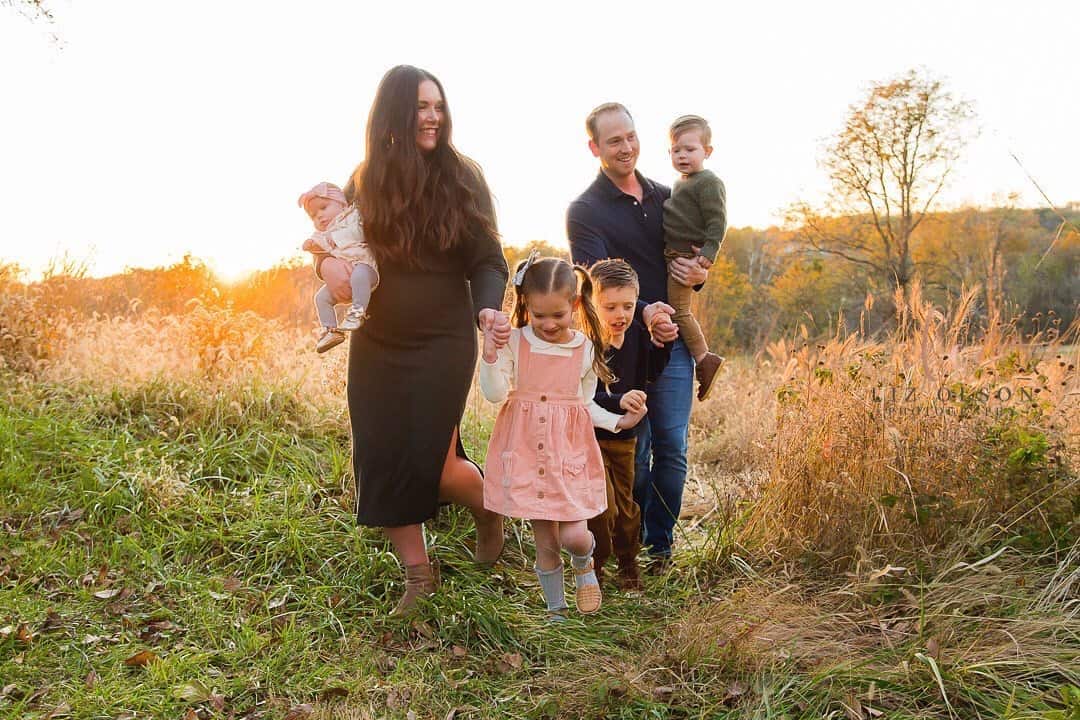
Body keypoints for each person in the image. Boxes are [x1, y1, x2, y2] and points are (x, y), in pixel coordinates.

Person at [327, 65, 510, 616]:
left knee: (437, 463)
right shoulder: (366, 180)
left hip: (443, 339)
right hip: (378, 340)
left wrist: (487, 309)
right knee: (380, 456)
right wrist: (326, 275)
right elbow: (343, 250)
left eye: (438, 106)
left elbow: (487, 258)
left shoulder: (462, 177)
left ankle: (489, 507)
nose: (432, 117)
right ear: (394, 116)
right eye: (421, 107)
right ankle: (419, 575)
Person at [567, 102, 709, 567]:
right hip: (621, 348)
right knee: (635, 448)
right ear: (595, 148)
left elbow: (687, 259)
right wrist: (646, 311)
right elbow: (596, 280)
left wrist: (697, 270)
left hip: (671, 343)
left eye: (630, 136)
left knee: (672, 447)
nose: (626, 147)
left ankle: (660, 548)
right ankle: (628, 547)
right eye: (614, 141)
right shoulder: (584, 211)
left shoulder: (669, 196)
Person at [479, 255, 644, 620]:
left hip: (567, 454)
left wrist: (619, 422)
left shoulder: (583, 347)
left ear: (574, 304)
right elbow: (494, 394)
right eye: (539, 316)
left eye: (558, 315)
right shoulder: (515, 342)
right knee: (546, 543)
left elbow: (584, 405)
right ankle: (557, 610)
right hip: (527, 453)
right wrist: (489, 355)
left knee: (573, 537)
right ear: (525, 306)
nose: (548, 324)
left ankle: (584, 564)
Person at [587, 259, 670, 590]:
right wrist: (617, 400)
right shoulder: (587, 341)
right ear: (592, 304)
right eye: (610, 307)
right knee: (599, 504)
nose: (620, 314)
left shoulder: (636, 334)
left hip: (626, 438)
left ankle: (627, 561)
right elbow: (583, 394)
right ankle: (595, 565)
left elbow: (650, 374)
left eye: (628, 305)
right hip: (590, 437)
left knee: (626, 503)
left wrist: (663, 346)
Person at [663, 115, 726, 400]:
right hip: (671, 254)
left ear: (707, 151)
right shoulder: (680, 183)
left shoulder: (708, 182)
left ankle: (704, 359)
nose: (682, 155)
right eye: (677, 150)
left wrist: (709, 253)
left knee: (679, 311)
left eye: (690, 149)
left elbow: (717, 221)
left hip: (685, 258)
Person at [298, 181, 380, 353]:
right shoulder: (323, 233)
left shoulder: (353, 216)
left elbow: (360, 232)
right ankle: (330, 330)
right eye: (313, 216)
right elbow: (320, 251)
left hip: (364, 265)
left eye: (323, 207)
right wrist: (312, 245)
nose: (319, 216)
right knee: (320, 298)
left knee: (359, 276)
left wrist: (331, 240)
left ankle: (357, 313)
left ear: (341, 203)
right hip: (344, 275)